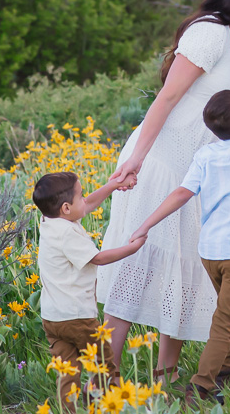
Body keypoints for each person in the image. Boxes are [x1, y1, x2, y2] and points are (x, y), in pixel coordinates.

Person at [96, 0, 230, 382]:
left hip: (205, 175)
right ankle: (103, 376)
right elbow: (168, 97)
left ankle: (167, 377)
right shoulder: (209, 32)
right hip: (160, 160)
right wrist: (137, 159)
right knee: (136, 262)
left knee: (188, 266)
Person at [130, 90, 230, 404]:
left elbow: (182, 193)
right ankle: (201, 385)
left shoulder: (206, 156)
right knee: (227, 320)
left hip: (211, 252)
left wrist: (145, 224)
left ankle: (225, 372)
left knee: (225, 313)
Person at [32, 172, 146, 411]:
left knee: (67, 371)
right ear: (66, 208)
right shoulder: (67, 234)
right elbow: (99, 258)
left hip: (53, 318)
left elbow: (88, 204)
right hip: (78, 317)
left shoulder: (50, 221)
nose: (85, 199)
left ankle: (69, 409)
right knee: (104, 363)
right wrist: (131, 249)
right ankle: (110, 404)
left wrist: (113, 185)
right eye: (81, 195)